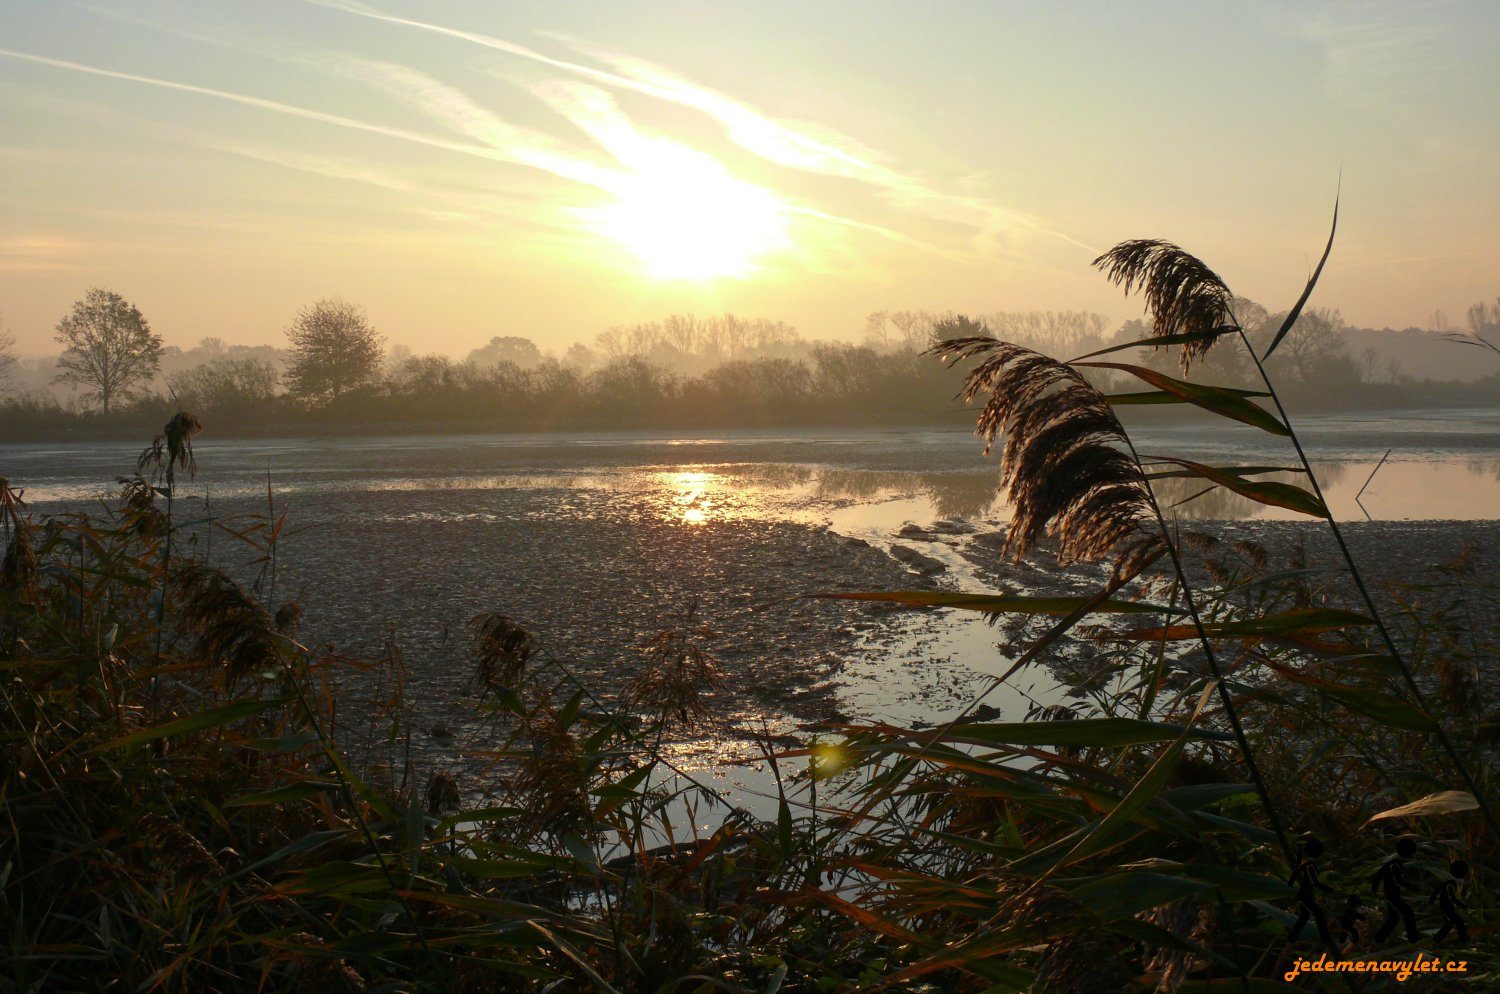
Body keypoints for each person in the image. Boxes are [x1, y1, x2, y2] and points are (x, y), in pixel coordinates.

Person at [1371, 838, 1420, 944]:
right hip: (1392, 894)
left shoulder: (1391, 863)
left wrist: (1374, 891)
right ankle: (1413, 939)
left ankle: (1378, 939)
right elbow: (1398, 880)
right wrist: (1412, 887)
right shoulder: (1395, 865)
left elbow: (1378, 876)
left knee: (1394, 918)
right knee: (1408, 913)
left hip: (1390, 893)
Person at [1288, 838, 1335, 946]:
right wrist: (1331, 890)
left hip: (1305, 893)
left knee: (1305, 916)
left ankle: (1292, 938)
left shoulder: (1304, 865)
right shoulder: (1309, 866)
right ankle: (1325, 939)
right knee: (1318, 914)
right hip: (1305, 893)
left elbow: (1296, 873)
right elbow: (1316, 883)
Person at [1431, 860, 1469, 946]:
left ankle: (1436, 940)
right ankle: (1464, 940)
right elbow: (1453, 898)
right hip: (1447, 906)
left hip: (1446, 906)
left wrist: (1432, 900)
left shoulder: (1448, 882)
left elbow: (1437, 891)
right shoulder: (1450, 884)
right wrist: (1463, 906)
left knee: (1449, 924)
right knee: (1458, 922)